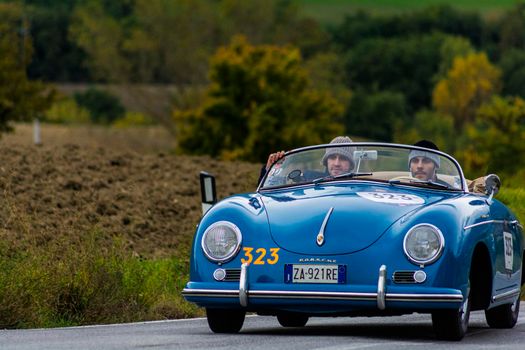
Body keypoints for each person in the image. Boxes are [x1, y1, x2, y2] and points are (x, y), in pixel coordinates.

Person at [258, 136, 354, 185]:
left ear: (351, 163)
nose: (336, 163)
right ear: (326, 161)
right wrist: (270, 169)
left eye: (343, 158)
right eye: (332, 157)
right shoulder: (309, 177)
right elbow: (274, 187)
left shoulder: (361, 188)